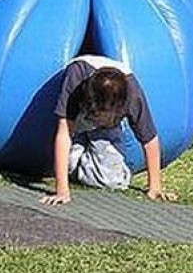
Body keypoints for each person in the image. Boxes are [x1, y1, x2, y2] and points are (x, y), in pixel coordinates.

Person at [40, 55, 176, 205]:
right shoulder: (76, 76)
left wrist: (155, 186)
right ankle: (79, 154)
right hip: (78, 122)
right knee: (62, 163)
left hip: (106, 129)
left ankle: (88, 157)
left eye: (100, 115)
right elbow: (64, 133)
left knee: (111, 180)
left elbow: (149, 139)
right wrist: (62, 190)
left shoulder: (132, 95)